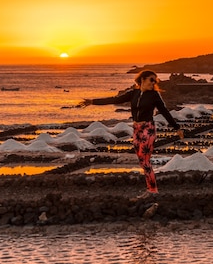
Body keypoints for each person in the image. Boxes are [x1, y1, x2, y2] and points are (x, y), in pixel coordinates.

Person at [79, 70, 184, 200]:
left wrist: (177, 128)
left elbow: (164, 111)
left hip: (148, 129)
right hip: (136, 129)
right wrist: (93, 102)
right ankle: (150, 189)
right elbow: (115, 99)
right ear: (142, 80)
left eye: (155, 80)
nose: (154, 82)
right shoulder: (133, 93)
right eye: (151, 79)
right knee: (142, 161)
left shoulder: (154, 95)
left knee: (145, 161)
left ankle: (152, 190)